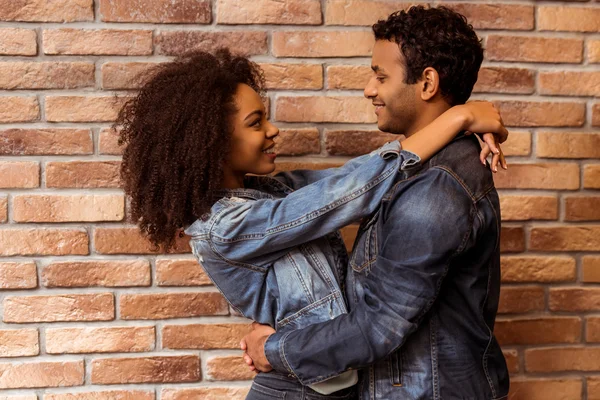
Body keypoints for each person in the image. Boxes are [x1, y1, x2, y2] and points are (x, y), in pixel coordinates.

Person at [115, 47, 507, 400]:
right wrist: (460, 115)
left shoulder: (276, 191)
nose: (273, 131)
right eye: (256, 123)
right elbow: (348, 192)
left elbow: (354, 180)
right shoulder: (225, 227)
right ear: (212, 142)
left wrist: (457, 126)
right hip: (292, 390)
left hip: (323, 383)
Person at [242, 6, 511, 400]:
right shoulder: (416, 168)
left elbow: (379, 326)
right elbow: (333, 187)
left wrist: (274, 350)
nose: (369, 88)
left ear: (427, 83)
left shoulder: (435, 187)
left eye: (380, 76)